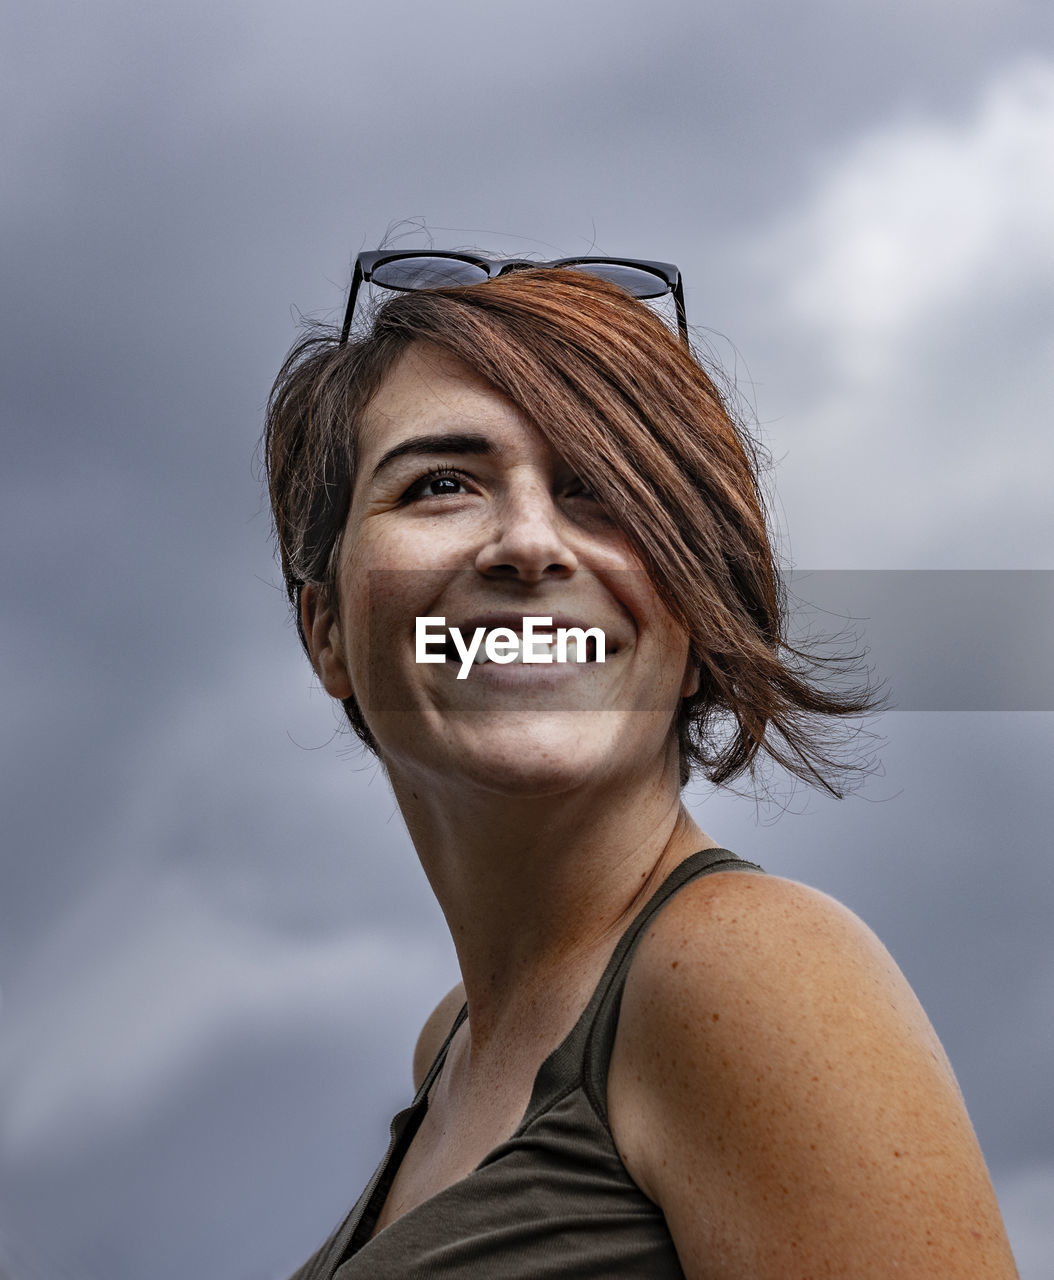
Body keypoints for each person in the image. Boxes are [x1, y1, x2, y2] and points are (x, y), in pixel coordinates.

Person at [264, 252, 1018, 1278]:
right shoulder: (450, 1045)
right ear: (327, 634)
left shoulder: (747, 974)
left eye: (602, 491)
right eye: (440, 482)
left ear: (701, 611)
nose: (528, 542)